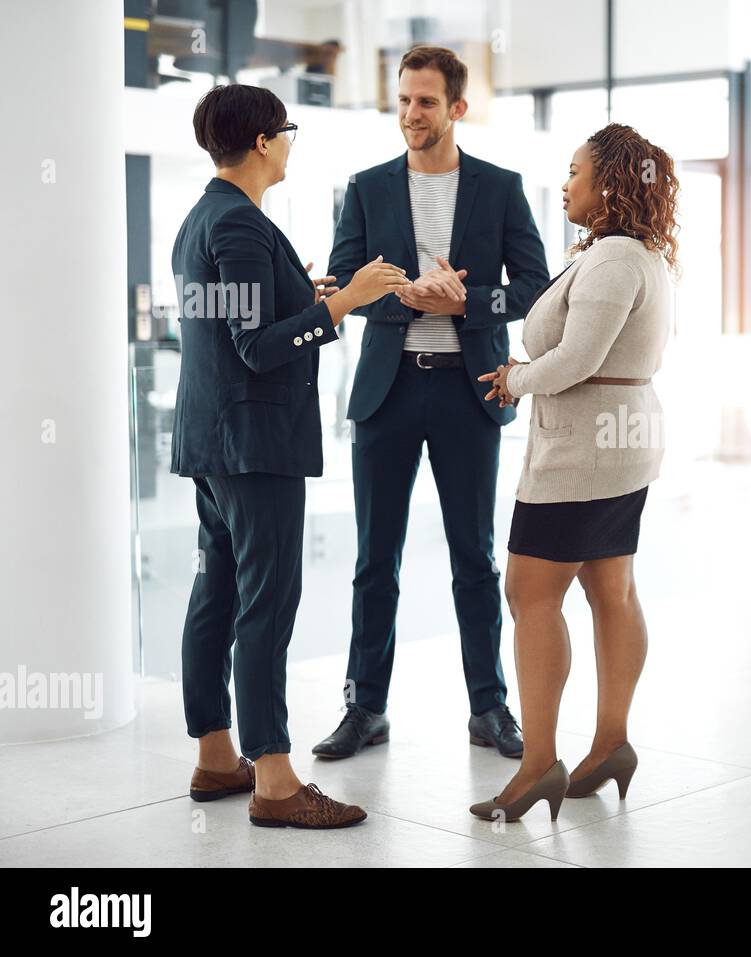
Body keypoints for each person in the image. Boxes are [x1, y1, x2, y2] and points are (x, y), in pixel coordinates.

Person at [173, 84, 407, 828]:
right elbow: (257, 348)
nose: (291, 142)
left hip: (217, 443)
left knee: (217, 595)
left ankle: (218, 755)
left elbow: (242, 327)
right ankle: (274, 777)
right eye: (288, 130)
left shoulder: (205, 218)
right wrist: (342, 303)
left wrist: (305, 297)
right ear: (266, 140)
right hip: (255, 448)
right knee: (265, 602)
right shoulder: (239, 225)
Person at [316, 45, 549, 760]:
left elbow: (537, 289)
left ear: (457, 107)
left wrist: (466, 301)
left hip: (467, 390)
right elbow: (338, 286)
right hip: (387, 392)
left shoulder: (501, 187)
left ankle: (489, 708)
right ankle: (365, 709)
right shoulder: (365, 186)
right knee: (373, 560)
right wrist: (398, 294)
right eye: (404, 100)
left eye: (424, 102)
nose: (410, 114)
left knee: (473, 557)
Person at [469, 123, 677, 822]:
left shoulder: (614, 257)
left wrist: (517, 377)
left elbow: (579, 357)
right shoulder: (635, 253)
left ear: (609, 183)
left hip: (584, 451)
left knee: (530, 591)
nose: (565, 184)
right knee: (611, 587)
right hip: (621, 442)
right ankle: (611, 742)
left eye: (574, 171)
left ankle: (539, 763)